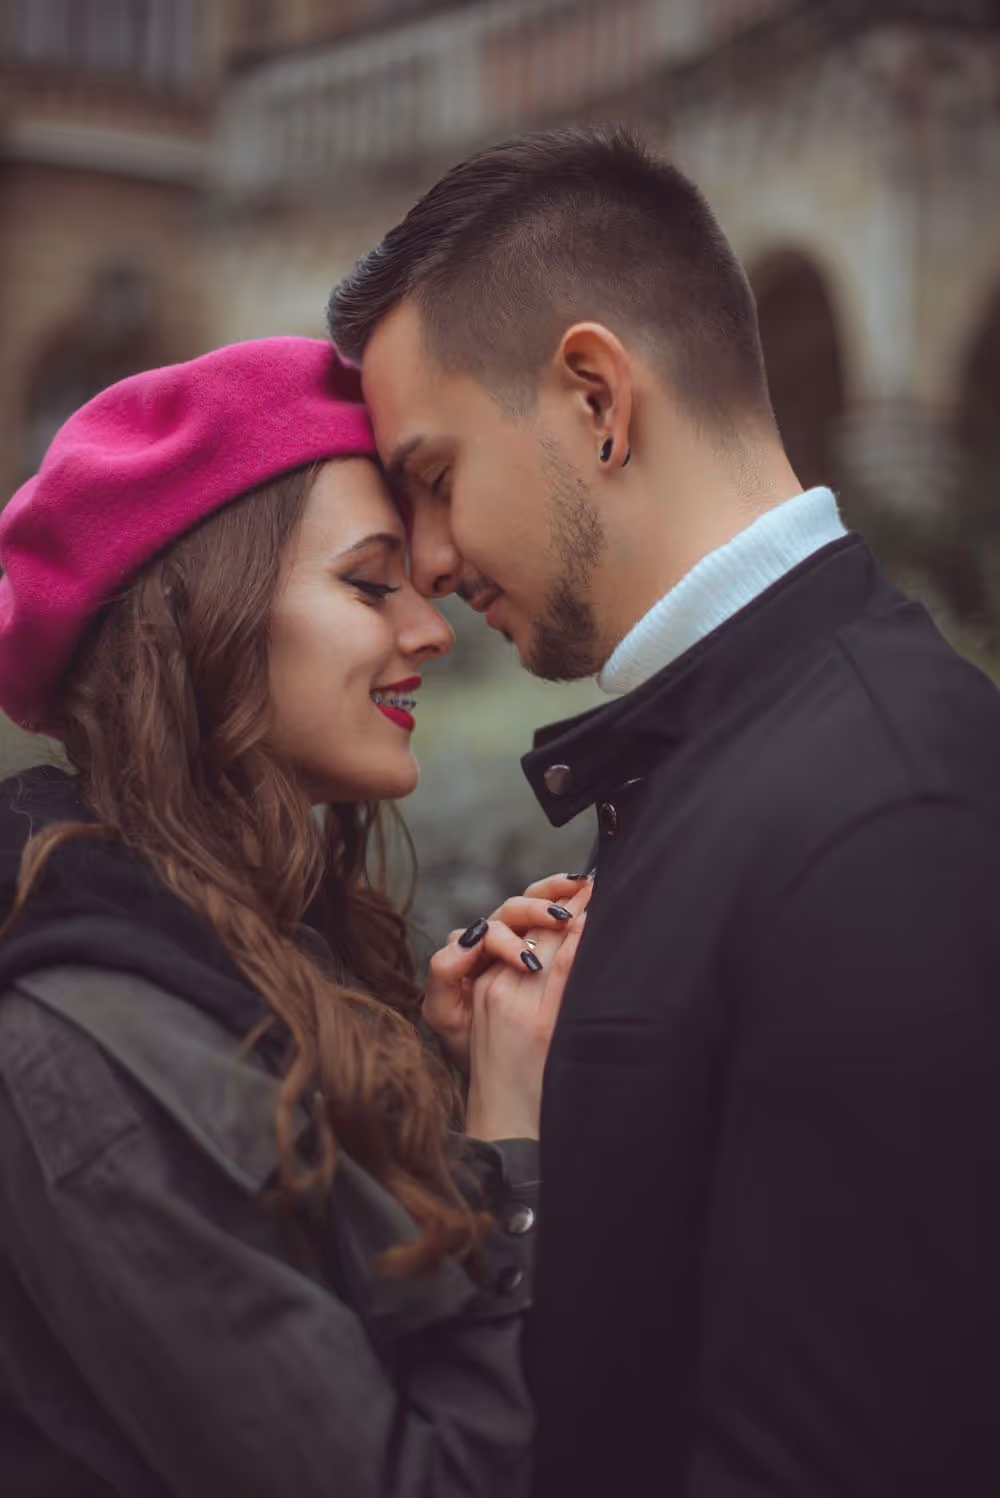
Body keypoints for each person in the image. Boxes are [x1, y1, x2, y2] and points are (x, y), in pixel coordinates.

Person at [329, 125, 1000, 1496]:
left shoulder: (894, 814)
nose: (436, 565)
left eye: (439, 478)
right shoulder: (727, 752)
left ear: (594, 398)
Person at [0, 336, 588, 1497]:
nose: (430, 631)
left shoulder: (269, 946)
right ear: (202, 627)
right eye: (371, 585)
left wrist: (455, 1084)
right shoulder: (84, 1045)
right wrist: (515, 1141)